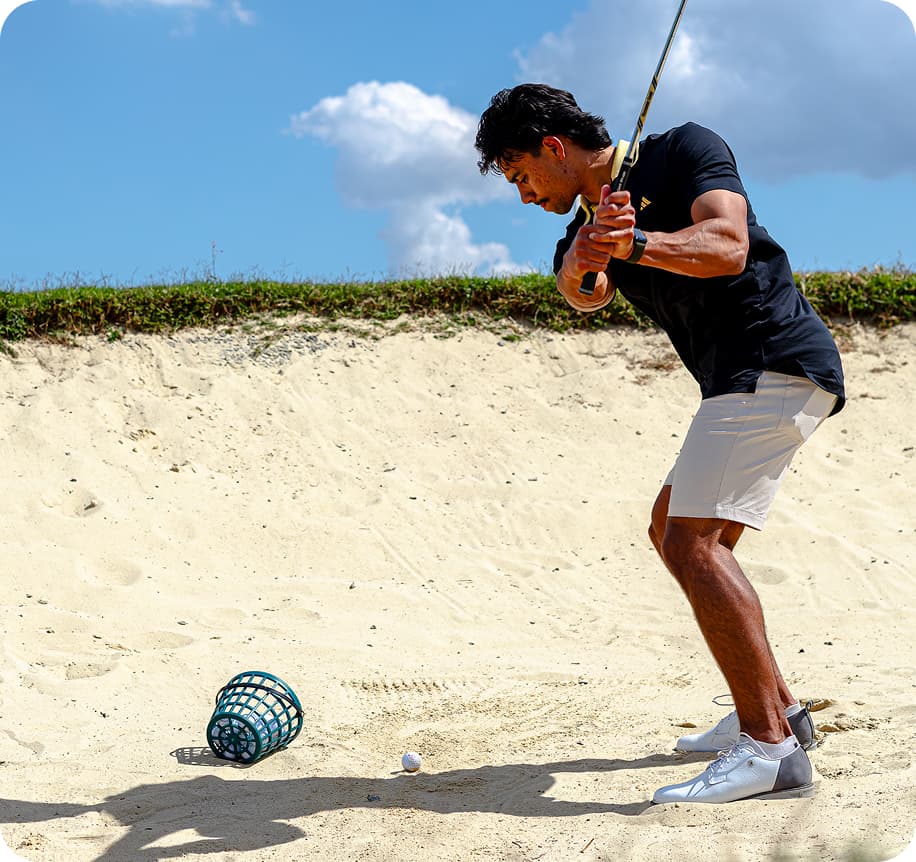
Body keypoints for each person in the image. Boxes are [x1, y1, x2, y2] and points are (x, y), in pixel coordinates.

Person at [475, 83, 846, 805]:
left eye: (522, 175)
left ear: (555, 148)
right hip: (740, 379)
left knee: (692, 544)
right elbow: (581, 291)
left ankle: (769, 747)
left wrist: (639, 241)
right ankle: (779, 711)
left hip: (771, 358)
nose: (522, 194)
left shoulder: (682, 151)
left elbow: (728, 246)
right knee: (670, 528)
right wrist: (588, 253)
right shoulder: (586, 221)